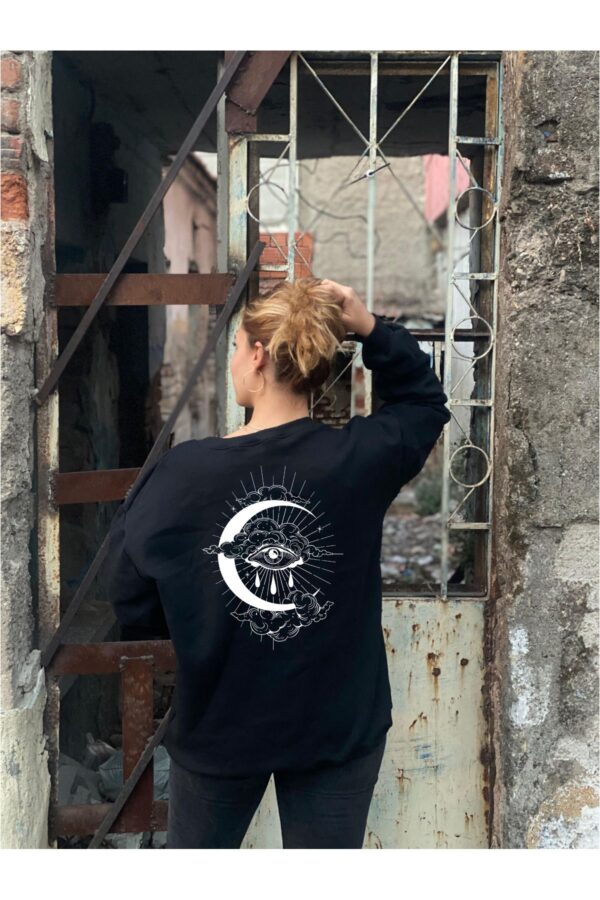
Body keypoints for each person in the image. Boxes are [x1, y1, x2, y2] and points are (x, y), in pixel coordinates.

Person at [103, 277, 451, 848]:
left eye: (237, 347)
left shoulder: (182, 474)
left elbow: (128, 591)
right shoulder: (358, 459)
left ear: (259, 355)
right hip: (338, 729)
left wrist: (198, 622)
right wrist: (369, 327)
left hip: (220, 724)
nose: (234, 361)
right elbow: (423, 403)